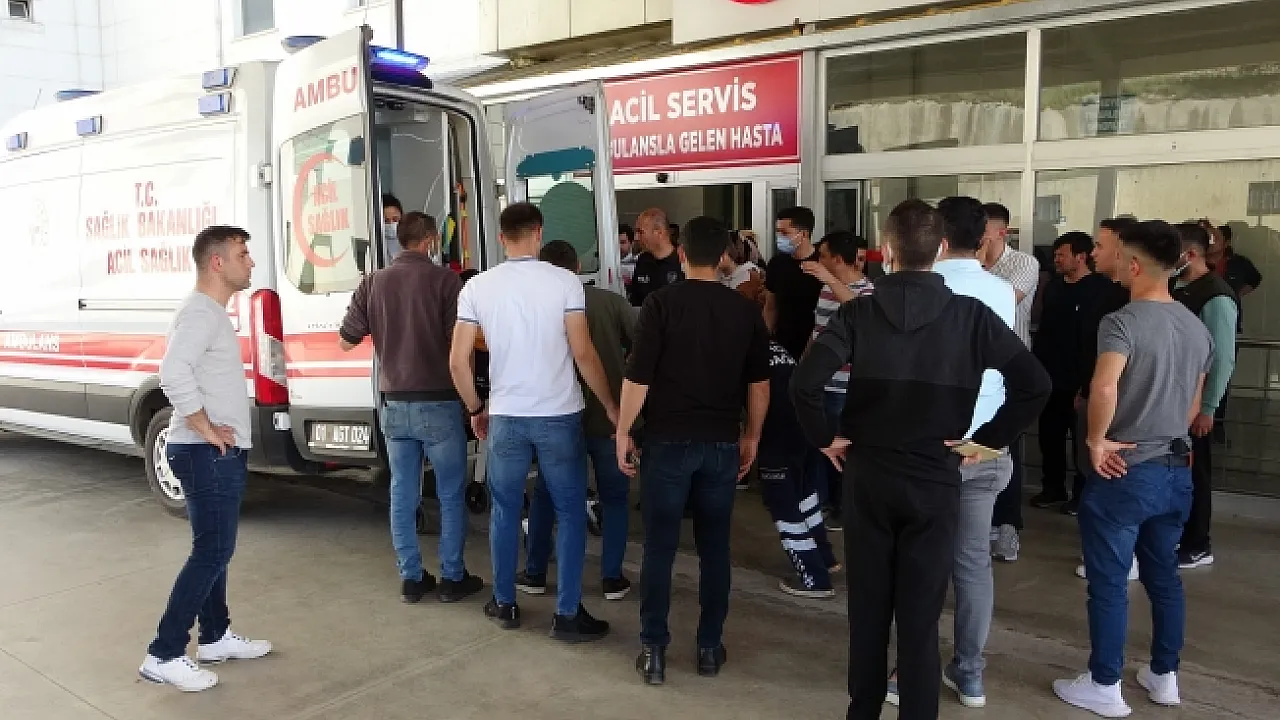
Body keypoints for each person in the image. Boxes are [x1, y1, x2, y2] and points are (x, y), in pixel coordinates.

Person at [792, 199, 1049, 720]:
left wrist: (825, 438)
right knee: (921, 618)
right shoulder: (972, 316)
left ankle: (863, 710)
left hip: (869, 475)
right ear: (941, 249)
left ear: (886, 251)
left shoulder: (858, 312)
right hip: (936, 476)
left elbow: (804, 384)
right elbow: (1035, 385)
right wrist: (984, 442)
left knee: (868, 611)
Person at [1053, 220, 1211, 718]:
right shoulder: (1195, 325)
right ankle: (1165, 676)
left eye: (1118, 253)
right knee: (1164, 576)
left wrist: (1096, 440)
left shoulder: (1122, 321)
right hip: (1175, 468)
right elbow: (1194, 402)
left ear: (1136, 265)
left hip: (1126, 469)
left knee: (1109, 581)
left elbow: (1105, 386)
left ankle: (1105, 684)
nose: (1114, 261)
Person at [447, 202, 618, 642]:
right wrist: (612, 407)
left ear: (501, 238)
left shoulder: (477, 288)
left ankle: (504, 603)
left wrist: (476, 408)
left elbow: (458, 362)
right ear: (539, 233)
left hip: (506, 416)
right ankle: (567, 615)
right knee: (570, 511)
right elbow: (583, 352)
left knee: (505, 510)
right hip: (559, 415)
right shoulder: (565, 282)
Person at [618, 216, 771, 686]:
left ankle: (654, 650)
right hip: (721, 443)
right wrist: (752, 436)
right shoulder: (745, 311)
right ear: (724, 257)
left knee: (660, 547)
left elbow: (638, 377)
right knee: (714, 548)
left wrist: (623, 431)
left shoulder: (661, 304)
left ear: (682, 253)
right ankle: (708, 648)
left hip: (666, 442)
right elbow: (759, 385)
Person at [140, 225, 271, 692]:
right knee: (212, 551)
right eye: (242, 254)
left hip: (209, 452)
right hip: (205, 453)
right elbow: (172, 372)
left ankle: (215, 637)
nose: (250, 262)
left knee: (214, 548)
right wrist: (206, 428)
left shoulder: (210, 313)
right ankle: (164, 654)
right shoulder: (201, 313)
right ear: (218, 262)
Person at [339, 211, 483, 604]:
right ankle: (452, 577)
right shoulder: (446, 281)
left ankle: (412, 578)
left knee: (402, 493)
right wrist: (473, 402)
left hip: (394, 406)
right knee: (450, 493)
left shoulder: (373, 282)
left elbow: (346, 341)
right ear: (431, 240)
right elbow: (461, 348)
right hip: (439, 404)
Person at [929, 196, 1021, 709]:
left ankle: (906, 671)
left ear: (936, 236)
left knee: (918, 564)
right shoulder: (1003, 291)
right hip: (983, 445)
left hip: (928, 449)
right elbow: (1015, 372)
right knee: (971, 564)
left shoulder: (922, 286)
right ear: (983, 238)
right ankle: (970, 675)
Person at [518, 240, 637, 601]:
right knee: (614, 498)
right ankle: (612, 578)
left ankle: (535, 572)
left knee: (546, 495)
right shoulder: (609, 302)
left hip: (556, 419)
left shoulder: (535, 309)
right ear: (579, 267)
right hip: (608, 419)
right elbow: (643, 347)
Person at [756, 290, 840, 599]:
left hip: (777, 436)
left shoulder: (747, 352)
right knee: (805, 497)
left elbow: (756, 397)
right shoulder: (775, 348)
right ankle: (825, 558)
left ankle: (814, 578)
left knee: (783, 506)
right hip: (803, 428)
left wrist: (749, 436)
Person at [1072, 217, 1140, 582]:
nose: (1093, 252)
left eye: (1100, 245)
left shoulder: (1129, 303)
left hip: (1117, 404)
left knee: (1113, 475)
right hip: (1093, 394)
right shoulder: (1099, 290)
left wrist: (1098, 398)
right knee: (1094, 476)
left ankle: (1121, 557)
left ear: (1123, 250)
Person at [1030, 231, 1113, 511]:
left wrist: (1087, 383)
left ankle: (1081, 494)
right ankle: (1052, 488)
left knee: (1082, 441)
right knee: (1049, 437)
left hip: (1081, 379)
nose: (1056, 260)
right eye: (1055, 255)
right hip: (1050, 376)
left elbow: (1095, 340)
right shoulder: (1053, 287)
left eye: (1061, 255)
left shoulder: (1101, 290)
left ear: (1081, 257)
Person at [1172, 222, 1238, 569]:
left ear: (1190, 254)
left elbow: (1223, 358)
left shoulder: (1217, 296)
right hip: (1174, 399)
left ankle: (1198, 543)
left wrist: (1208, 407)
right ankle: (1177, 533)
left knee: (1197, 472)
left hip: (1198, 403)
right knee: (1177, 470)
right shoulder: (1176, 286)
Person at [799, 230, 873, 529]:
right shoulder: (825, 289)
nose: (819, 260)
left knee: (842, 450)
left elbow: (862, 312)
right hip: (819, 384)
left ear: (838, 260)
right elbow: (818, 330)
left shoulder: (867, 291)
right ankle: (820, 503)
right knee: (818, 445)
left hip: (845, 387)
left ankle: (843, 507)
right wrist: (804, 364)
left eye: (824, 256)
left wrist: (828, 279)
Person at [980, 202, 1040, 563]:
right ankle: (981, 522)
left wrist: (976, 269)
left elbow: (1001, 301)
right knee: (976, 444)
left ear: (1002, 232)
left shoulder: (1023, 264)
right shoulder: (970, 264)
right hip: (975, 372)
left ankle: (1007, 525)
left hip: (1011, 371)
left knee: (1006, 446)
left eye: (984, 229)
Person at [766, 206, 823, 360]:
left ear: (803, 234)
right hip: (783, 344)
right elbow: (771, 307)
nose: (779, 237)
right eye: (777, 232)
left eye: (785, 233)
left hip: (816, 344)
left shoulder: (822, 263)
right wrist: (765, 339)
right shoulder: (777, 263)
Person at [629, 208, 684, 306]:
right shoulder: (643, 260)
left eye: (640, 232)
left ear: (659, 232)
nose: (636, 238)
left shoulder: (683, 261)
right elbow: (635, 299)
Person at [620, 223, 639, 287]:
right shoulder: (604, 264)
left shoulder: (638, 265)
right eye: (616, 243)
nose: (619, 246)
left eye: (622, 242)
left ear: (631, 243)